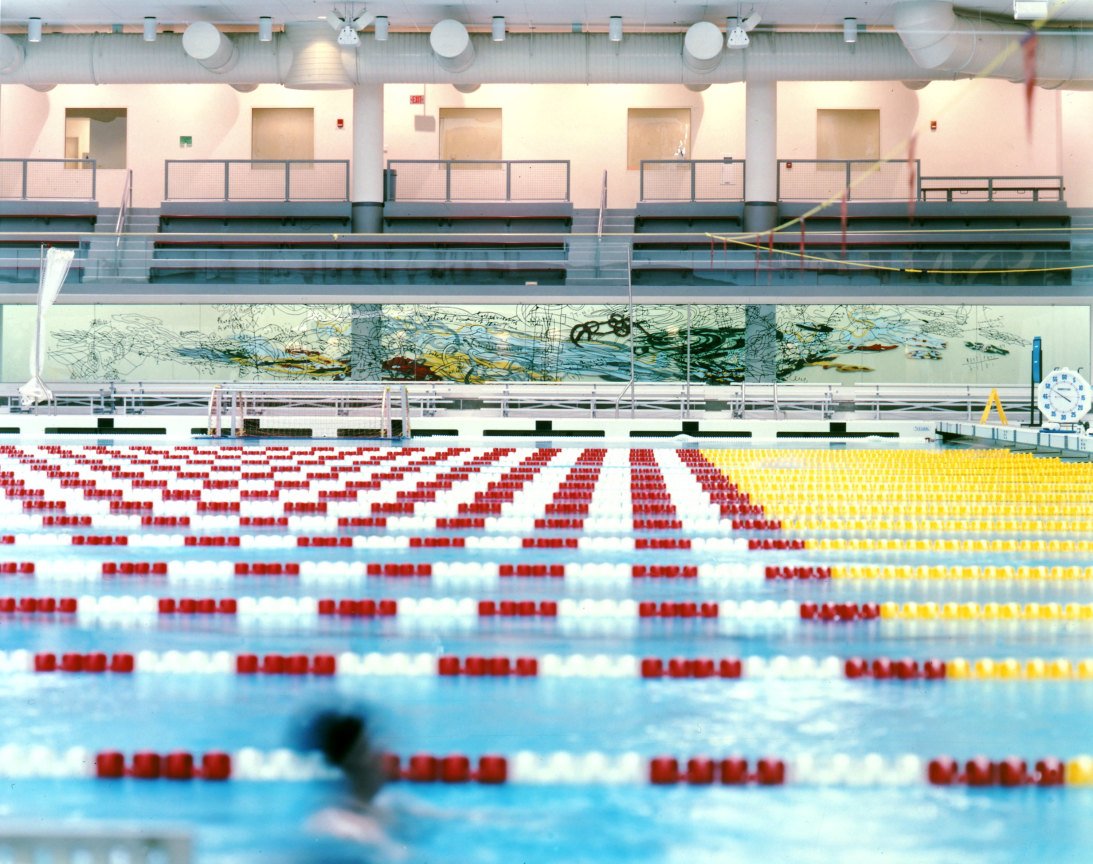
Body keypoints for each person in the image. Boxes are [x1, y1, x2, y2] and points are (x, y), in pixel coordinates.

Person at [299, 709, 407, 860]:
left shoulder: (390, 804)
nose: (382, 750)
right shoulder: (338, 824)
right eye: (370, 744)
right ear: (353, 760)